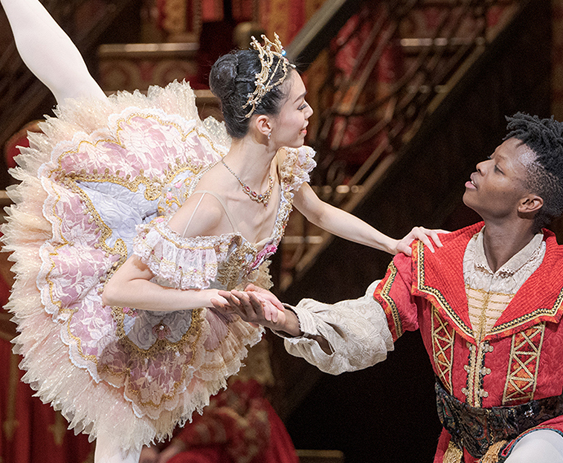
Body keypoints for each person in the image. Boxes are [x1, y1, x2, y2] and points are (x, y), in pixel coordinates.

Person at [0, 1, 443, 462]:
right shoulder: (208, 205)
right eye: (301, 104)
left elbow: (320, 213)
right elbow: (120, 289)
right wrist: (206, 299)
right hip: (146, 289)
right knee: (81, 97)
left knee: (129, 433)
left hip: (194, 290)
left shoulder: (282, 161)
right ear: (265, 123)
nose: (311, 111)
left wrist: (391, 242)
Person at [220, 113, 563, 463]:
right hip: (461, 449)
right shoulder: (431, 258)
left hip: (541, 441)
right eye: (490, 157)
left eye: (499, 169)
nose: (481, 166)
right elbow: (371, 320)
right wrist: (290, 318)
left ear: (530, 202)